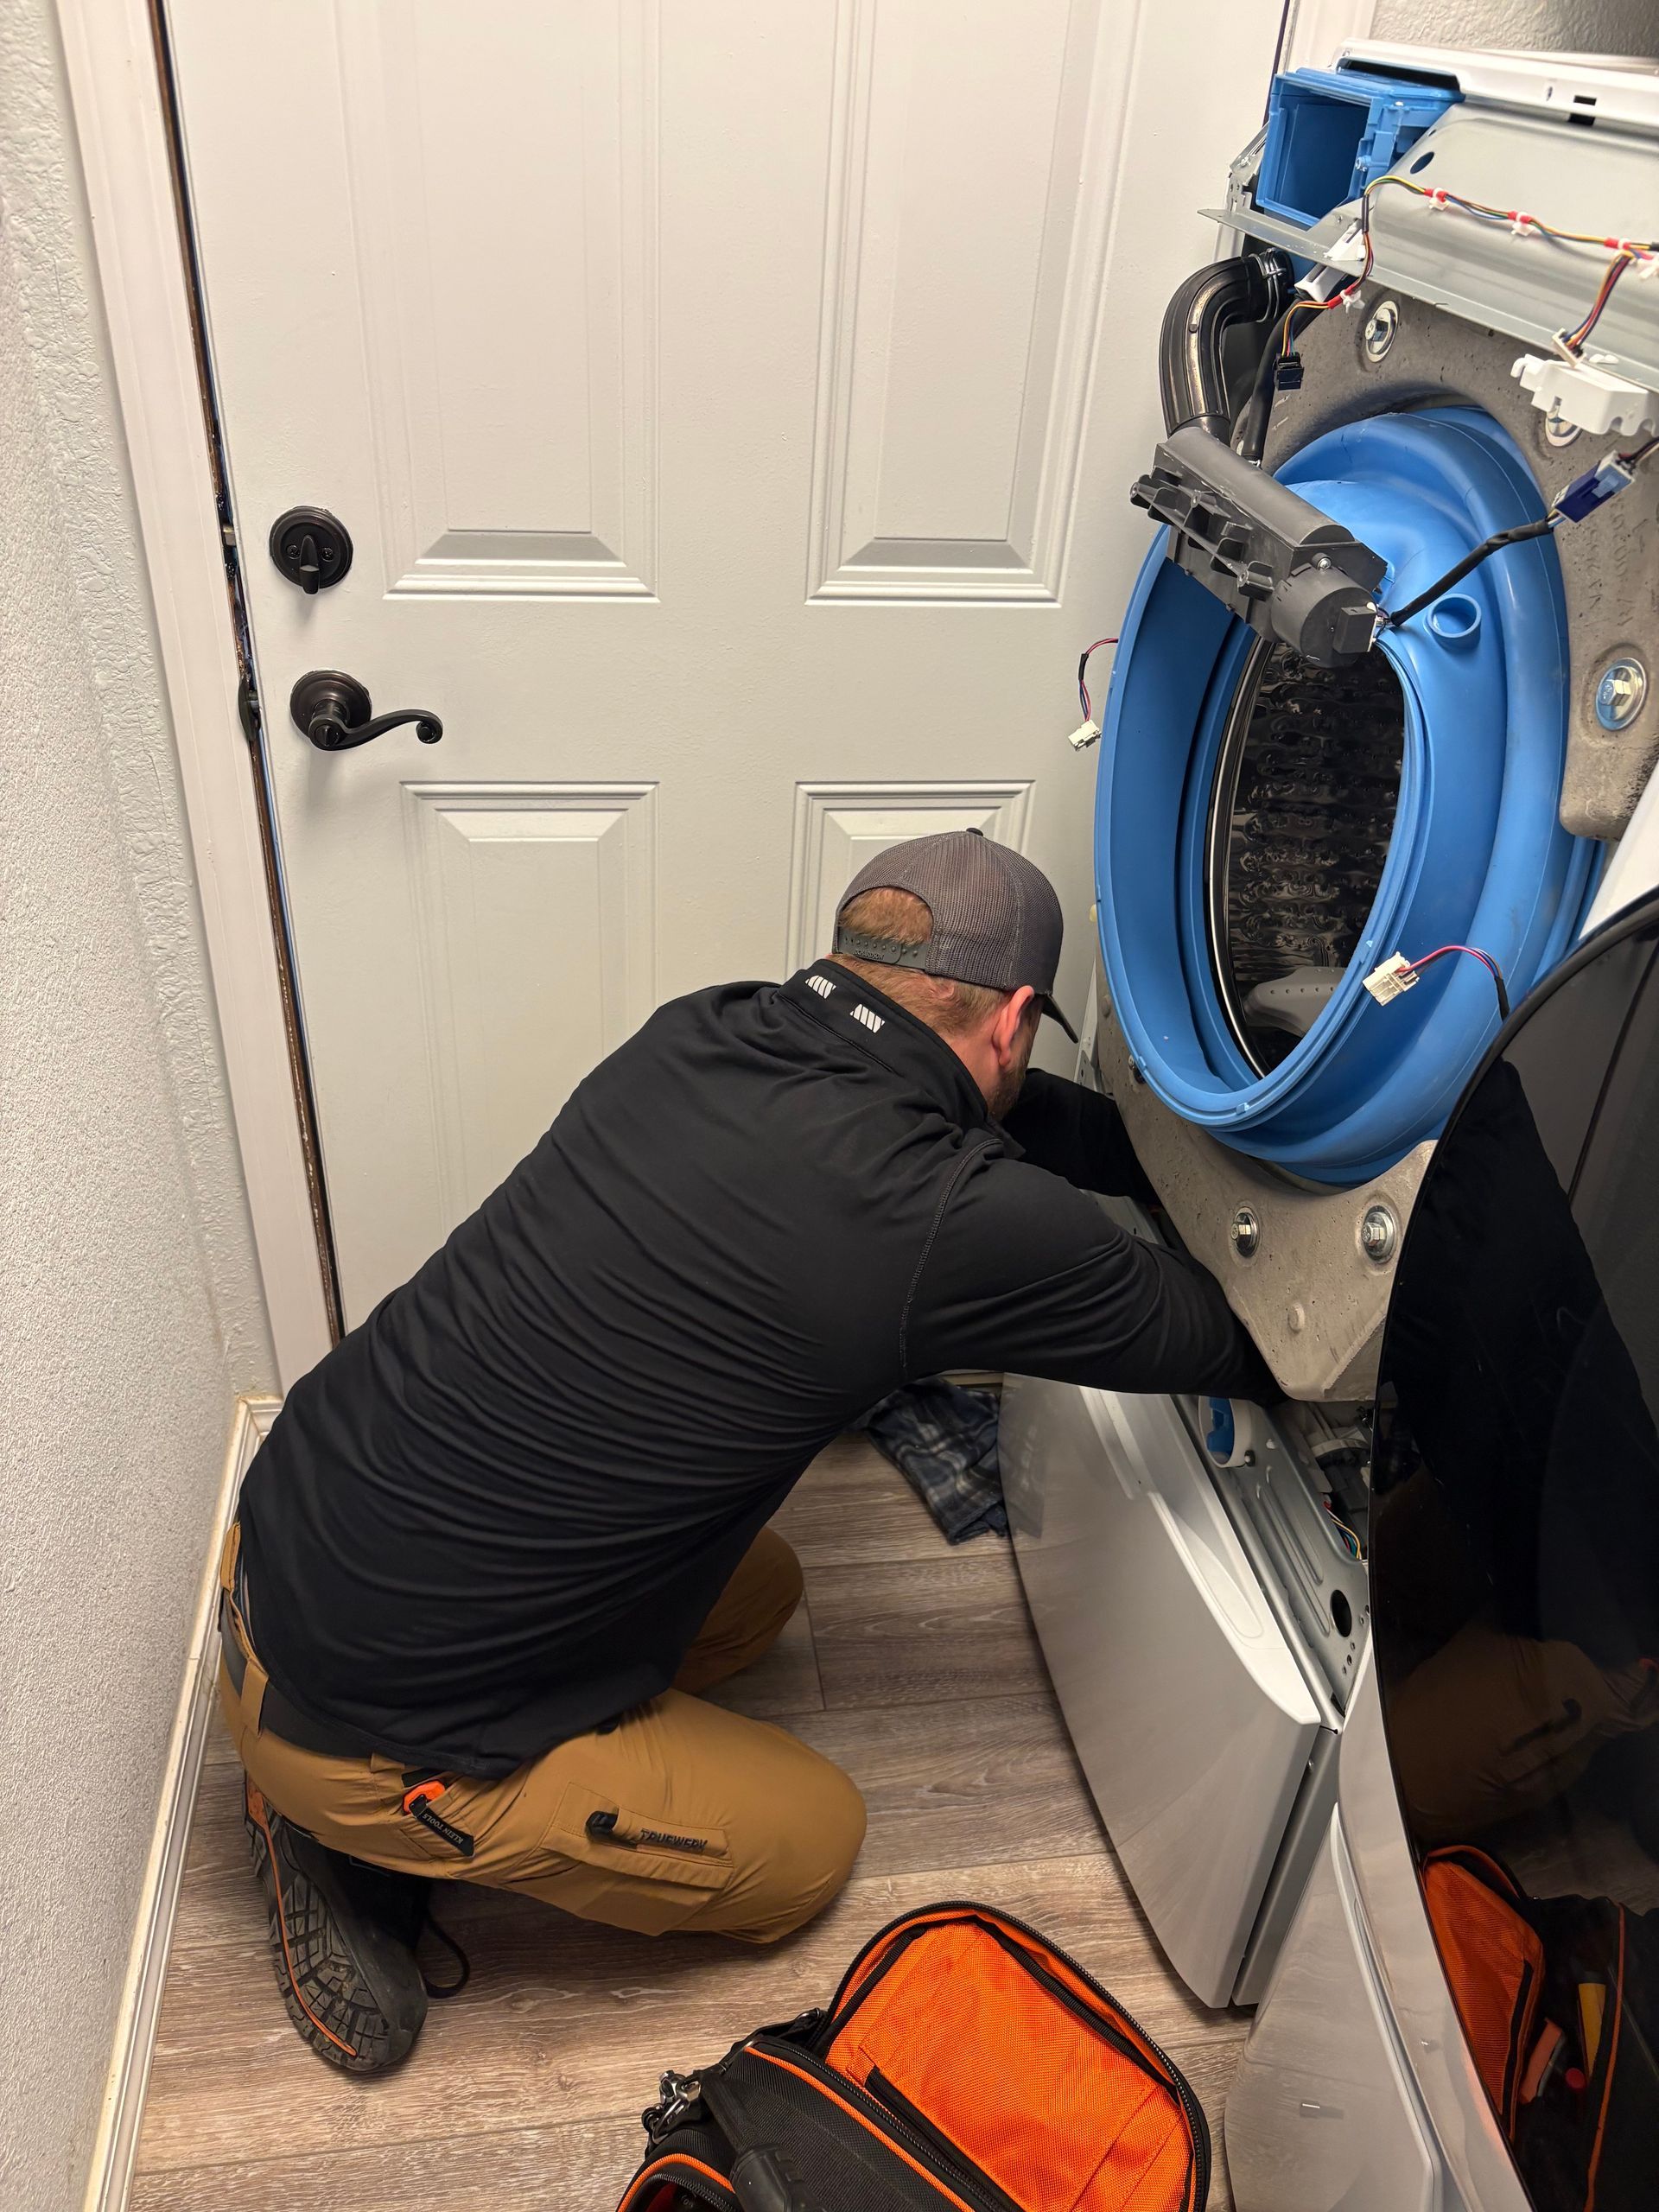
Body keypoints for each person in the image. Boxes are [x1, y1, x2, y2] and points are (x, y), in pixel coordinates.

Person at [220, 829, 1269, 2070]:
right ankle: (339, 1828)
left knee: (760, 1596)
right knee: (808, 1847)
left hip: (283, 1530)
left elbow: (1004, 1112)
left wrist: (1166, 1141)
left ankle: (395, 1746)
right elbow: (1233, 1337)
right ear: (1017, 1017)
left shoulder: (702, 1030)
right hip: (357, 1722)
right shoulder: (944, 1221)